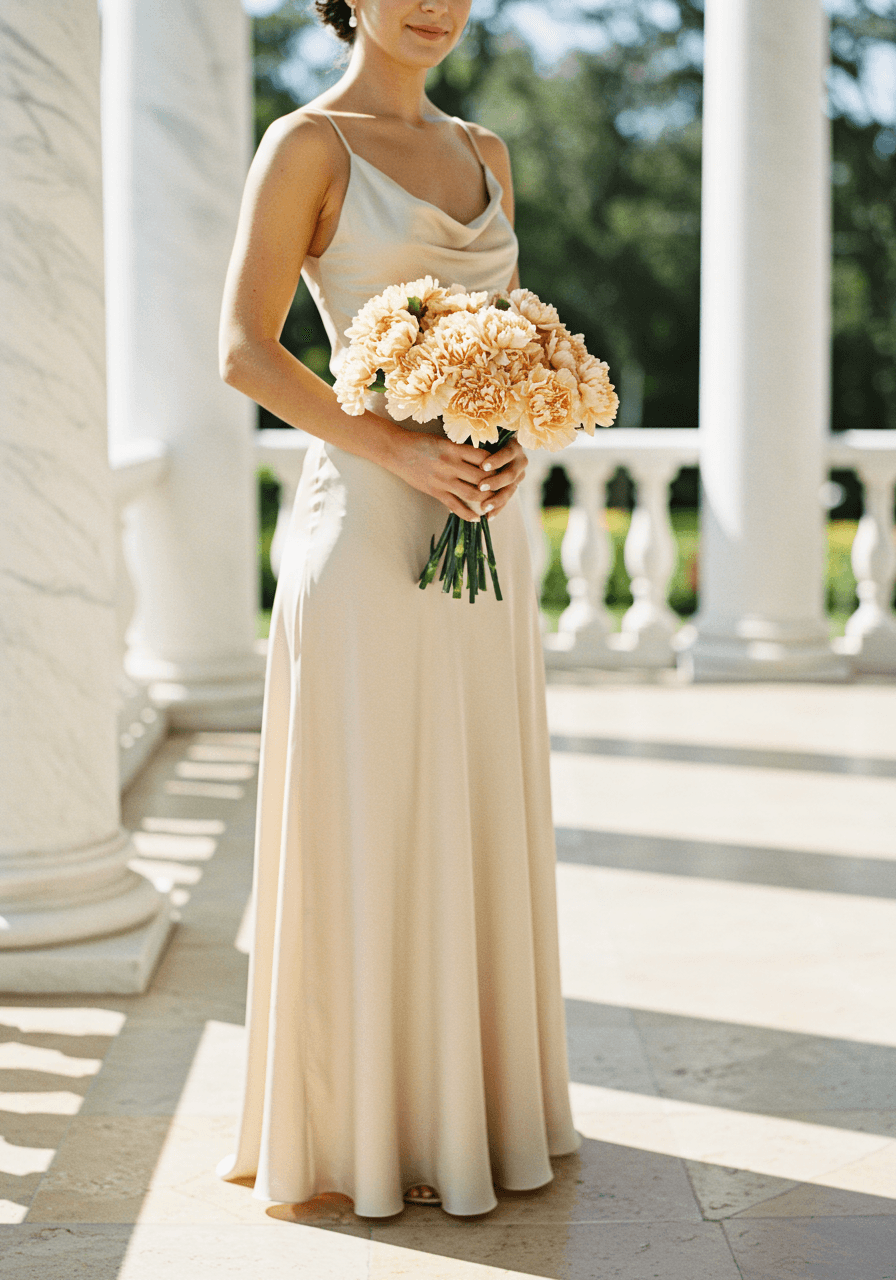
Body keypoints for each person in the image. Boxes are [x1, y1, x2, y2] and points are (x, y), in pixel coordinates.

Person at [216, 0, 580, 1218]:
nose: (433, 3)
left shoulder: (489, 154)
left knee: (469, 800)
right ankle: (357, 1133)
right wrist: (399, 452)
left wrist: (510, 434)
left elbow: (501, 348)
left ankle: (467, 1115)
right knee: (374, 805)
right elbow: (245, 350)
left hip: (484, 526)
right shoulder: (306, 144)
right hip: (365, 535)